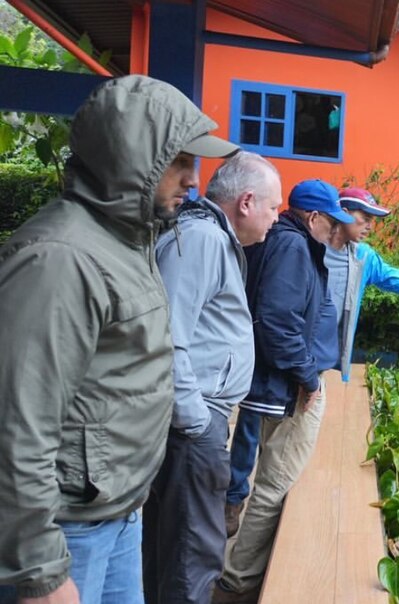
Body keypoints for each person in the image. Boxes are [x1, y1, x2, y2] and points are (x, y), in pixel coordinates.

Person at [0, 75, 237, 604]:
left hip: (117, 512)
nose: (193, 180)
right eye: (178, 162)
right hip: (66, 530)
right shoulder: (60, 258)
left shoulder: (129, 242)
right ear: (132, 158)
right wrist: (41, 574)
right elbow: (16, 423)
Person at [223, 187, 399, 537]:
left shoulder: (362, 258)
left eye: (373, 220)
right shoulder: (303, 244)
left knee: (282, 442)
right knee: (251, 424)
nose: (369, 226)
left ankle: (265, 510)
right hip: (276, 354)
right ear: (337, 214)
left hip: (313, 365)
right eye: (363, 218)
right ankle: (234, 499)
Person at [142, 152, 282, 604]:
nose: (276, 219)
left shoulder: (211, 238)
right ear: (246, 202)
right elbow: (168, 335)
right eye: (273, 207)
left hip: (194, 421)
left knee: (175, 549)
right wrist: (197, 421)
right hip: (191, 424)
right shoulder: (202, 239)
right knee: (193, 557)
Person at [213, 180, 353, 604]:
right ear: (313, 217)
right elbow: (276, 320)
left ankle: (238, 571)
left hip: (279, 383)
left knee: (272, 479)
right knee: (275, 485)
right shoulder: (293, 247)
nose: (337, 232)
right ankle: (238, 581)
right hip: (289, 385)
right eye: (333, 223)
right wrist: (309, 379)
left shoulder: (284, 241)